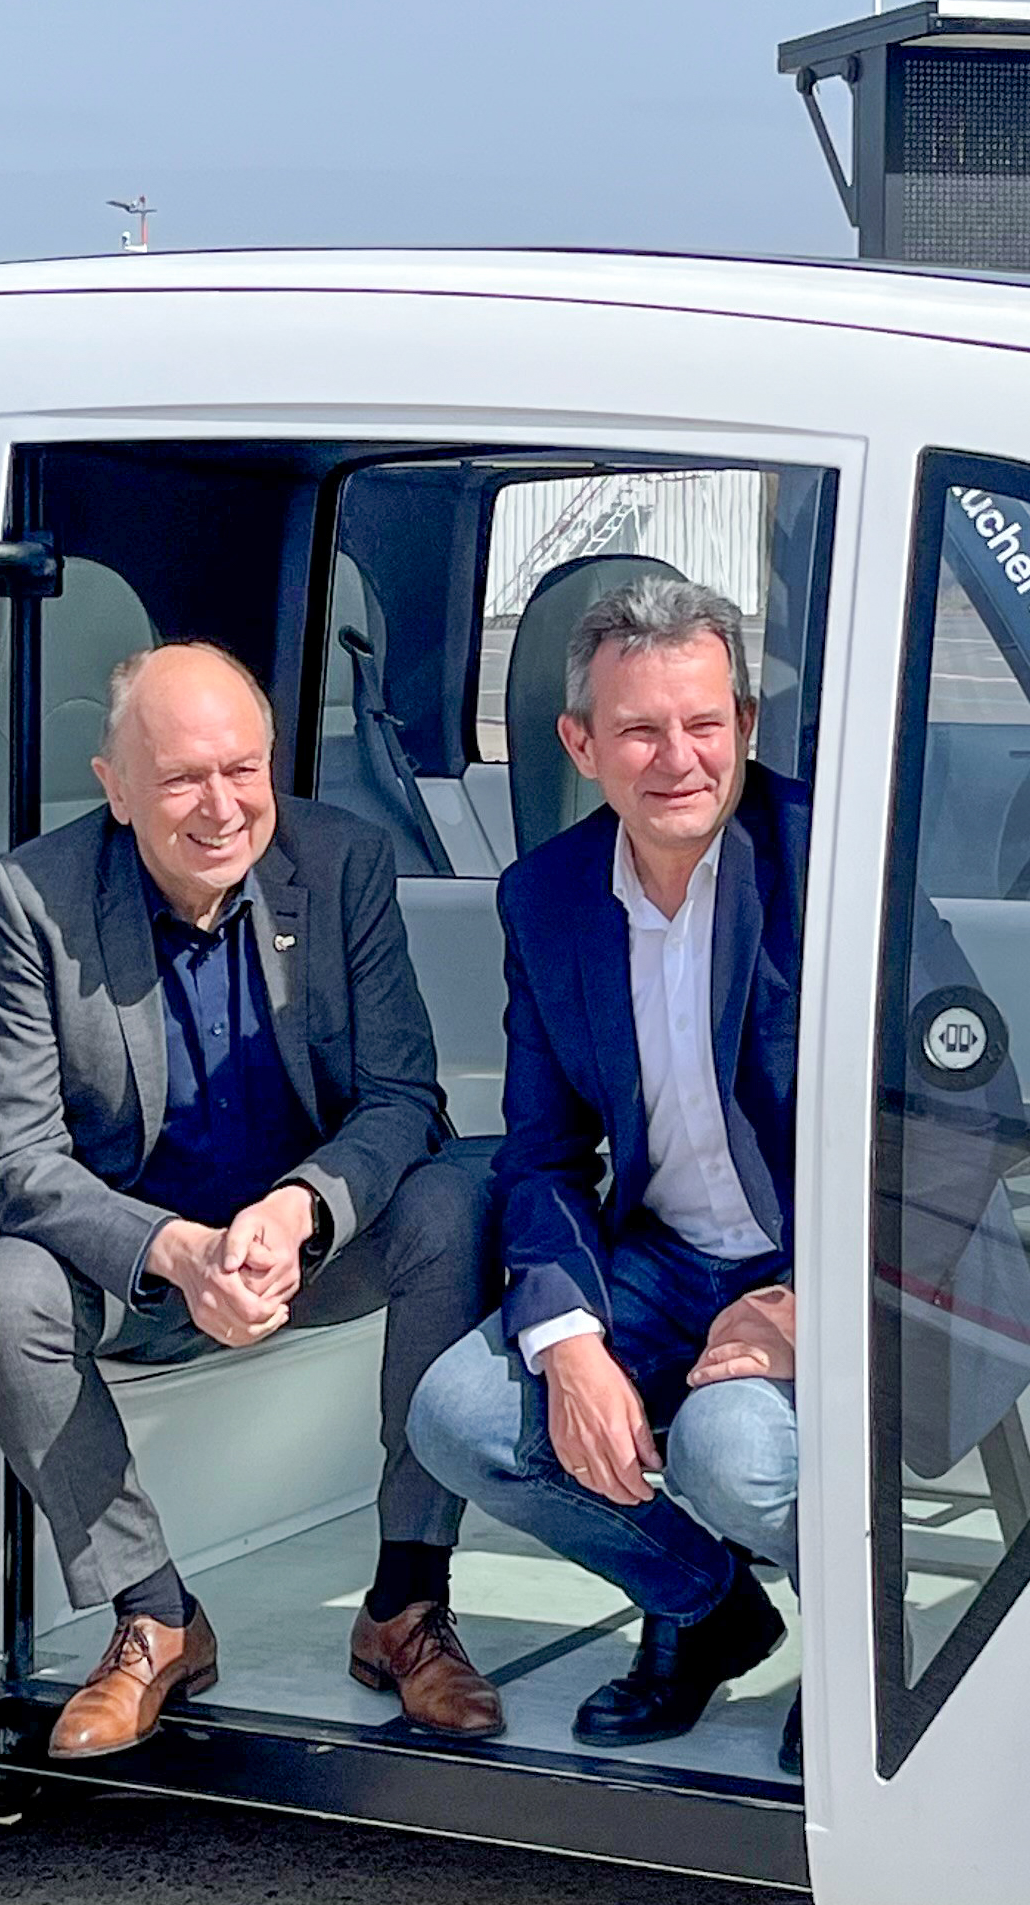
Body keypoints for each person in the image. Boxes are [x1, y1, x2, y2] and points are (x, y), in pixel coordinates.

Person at [0, 642, 498, 1752]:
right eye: (181, 779)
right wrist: (174, 1250)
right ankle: (155, 1615)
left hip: (307, 1249)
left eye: (243, 770)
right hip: (139, 1272)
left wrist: (301, 1209)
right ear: (115, 788)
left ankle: (406, 1603)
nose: (222, 807)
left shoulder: (342, 863)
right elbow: (20, 1158)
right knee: (3, 1289)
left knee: (463, 1195)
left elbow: (402, 1098)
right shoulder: (32, 898)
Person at [405, 577, 814, 1758]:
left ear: (744, 724)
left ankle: (866, 1640)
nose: (678, 759)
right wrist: (568, 1340)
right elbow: (543, 1154)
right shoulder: (547, 899)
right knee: (462, 1418)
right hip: (667, 1259)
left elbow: (948, 1122)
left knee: (729, 1454)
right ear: (581, 745)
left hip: (821, 1255)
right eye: (639, 730)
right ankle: (705, 1606)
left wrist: (818, 1303)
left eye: (704, 723)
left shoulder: (830, 862)